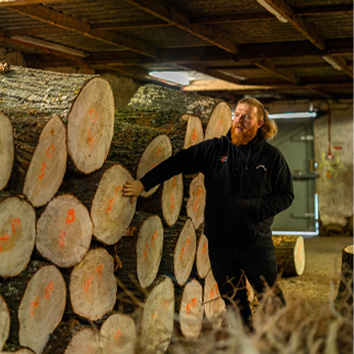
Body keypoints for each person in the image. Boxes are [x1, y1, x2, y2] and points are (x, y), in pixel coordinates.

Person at [123, 97, 294, 331]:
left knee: (270, 298)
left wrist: (257, 209)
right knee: (234, 302)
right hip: (221, 244)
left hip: (256, 243)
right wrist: (144, 183)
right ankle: (246, 343)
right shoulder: (215, 149)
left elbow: (286, 195)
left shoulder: (271, 157)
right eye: (237, 114)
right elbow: (178, 162)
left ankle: (285, 342)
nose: (240, 120)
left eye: (247, 116)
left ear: (259, 122)